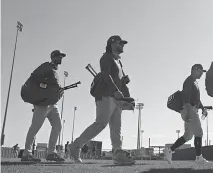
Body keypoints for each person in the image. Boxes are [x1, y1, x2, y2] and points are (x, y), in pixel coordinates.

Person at [70, 35, 135, 165]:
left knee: (116, 127)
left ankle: (117, 153)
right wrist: (115, 90)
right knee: (101, 123)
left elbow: (121, 82)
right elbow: (106, 75)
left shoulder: (118, 61)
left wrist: (126, 96)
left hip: (117, 98)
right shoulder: (106, 57)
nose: (122, 45)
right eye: (120, 43)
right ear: (111, 44)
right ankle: (76, 146)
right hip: (106, 95)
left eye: (123, 43)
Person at [21, 50, 67, 162]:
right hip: (42, 104)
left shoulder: (55, 71)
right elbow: (34, 79)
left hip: (52, 104)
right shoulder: (46, 66)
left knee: (58, 126)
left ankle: (51, 153)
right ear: (53, 57)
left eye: (61, 57)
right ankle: (27, 154)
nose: (61, 58)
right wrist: (45, 88)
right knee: (35, 127)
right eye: (59, 56)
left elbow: (52, 86)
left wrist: (58, 90)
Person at [164, 64, 209, 164]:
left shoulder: (194, 82)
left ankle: (170, 150)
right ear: (194, 70)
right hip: (189, 109)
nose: (202, 73)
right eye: (200, 71)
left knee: (188, 136)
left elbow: (197, 99)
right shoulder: (189, 81)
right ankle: (198, 157)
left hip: (192, 109)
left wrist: (202, 108)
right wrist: (186, 112)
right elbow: (185, 97)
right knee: (199, 132)